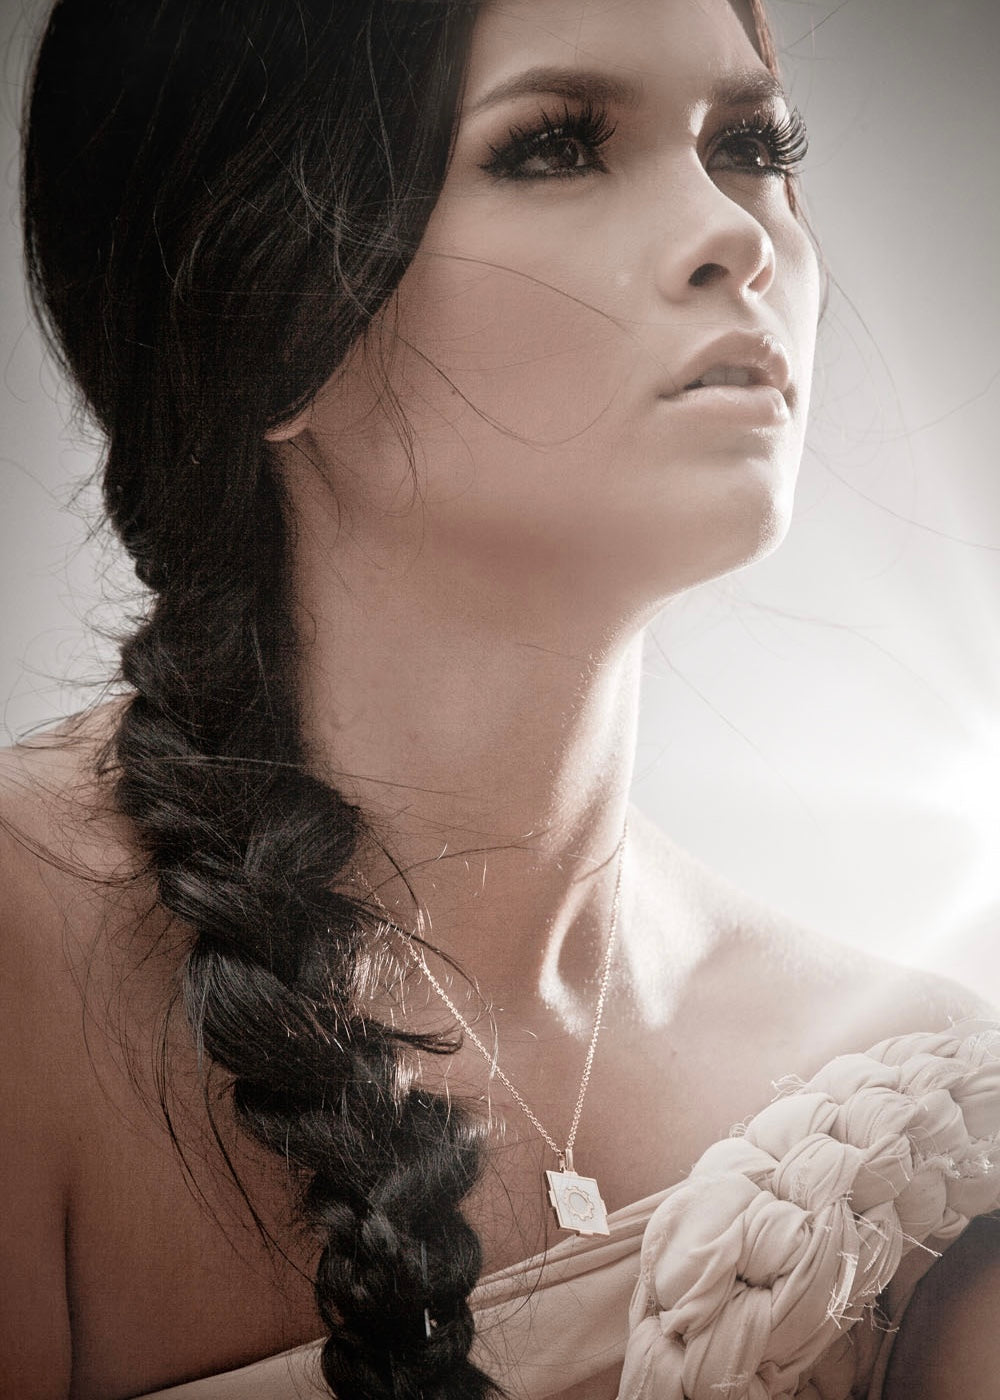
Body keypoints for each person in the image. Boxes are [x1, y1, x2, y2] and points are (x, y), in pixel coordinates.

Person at [3, 0, 999, 1397]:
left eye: (754, 141)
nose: (741, 233)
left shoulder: (913, 1111)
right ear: (265, 312)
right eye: (554, 147)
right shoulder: (19, 957)